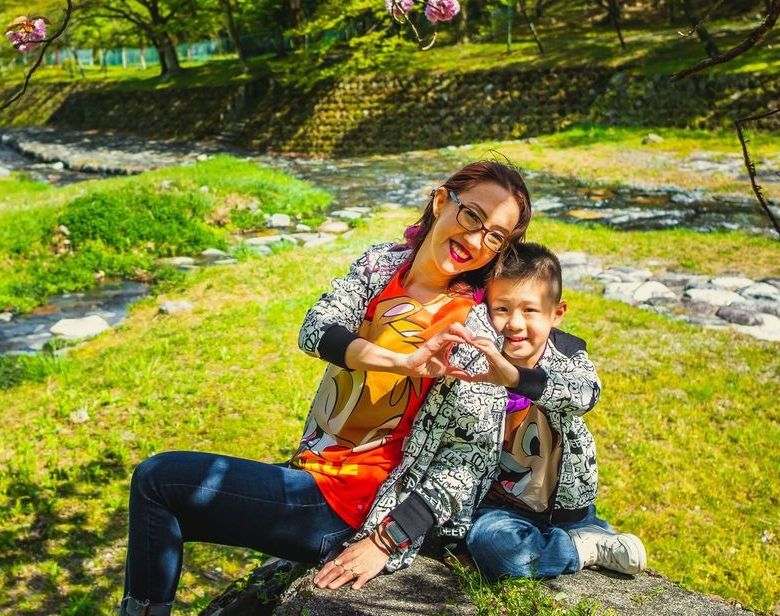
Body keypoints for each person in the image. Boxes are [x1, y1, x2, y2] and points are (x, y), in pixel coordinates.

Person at [120, 161, 532, 615]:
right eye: (472, 216)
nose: (476, 240)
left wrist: (386, 540)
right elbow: (316, 329)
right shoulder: (382, 264)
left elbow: (470, 457)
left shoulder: (469, 329)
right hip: (313, 474)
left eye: (495, 236)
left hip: (349, 505)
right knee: (166, 498)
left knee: (158, 482)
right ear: (440, 200)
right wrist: (401, 362)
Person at [460, 242, 646, 580]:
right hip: (502, 508)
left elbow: (586, 394)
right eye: (501, 309)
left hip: (565, 509)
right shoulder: (475, 361)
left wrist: (518, 379)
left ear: (556, 313)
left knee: (506, 555)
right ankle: (582, 547)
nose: (515, 323)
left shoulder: (569, 355)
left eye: (530, 310)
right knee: (493, 545)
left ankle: (584, 537)